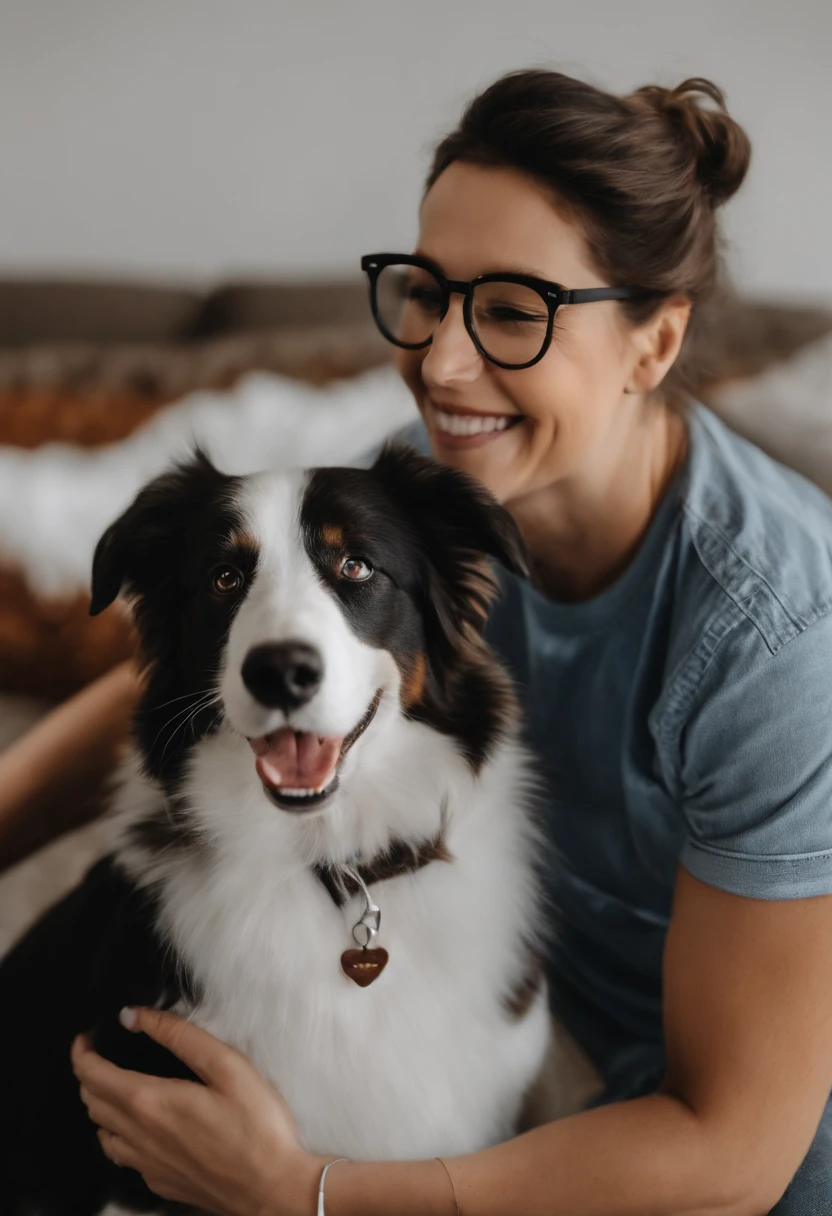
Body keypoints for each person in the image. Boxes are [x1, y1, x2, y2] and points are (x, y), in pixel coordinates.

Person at [4, 69, 832, 1216]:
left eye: (509, 310)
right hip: (545, 1009)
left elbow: (733, 1153)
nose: (441, 362)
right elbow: (233, 659)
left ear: (654, 344)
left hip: (741, 1134)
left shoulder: (781, 635)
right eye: (427, 294)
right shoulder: (447, 470)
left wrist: (310, 1190)